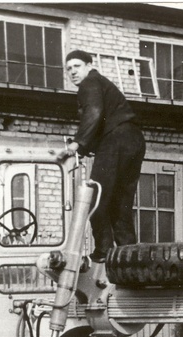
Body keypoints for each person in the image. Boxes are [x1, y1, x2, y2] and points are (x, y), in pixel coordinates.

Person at [55, 50, 146, 262]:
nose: (72, 72)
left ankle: (103, 251)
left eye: (77, 66)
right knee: (120, 203)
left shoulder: (90, 83)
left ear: (89, 66)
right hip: (134, 140)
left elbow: (94, 112)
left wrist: (76, 145)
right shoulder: (102, 84)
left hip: (116, 140)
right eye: (68, 69)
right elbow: (98, 119)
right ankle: (128, 256)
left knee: (94, 198)